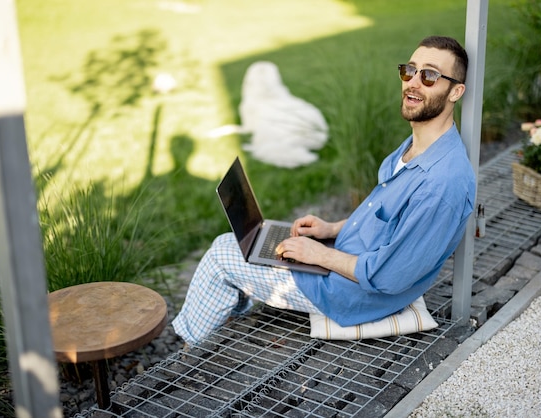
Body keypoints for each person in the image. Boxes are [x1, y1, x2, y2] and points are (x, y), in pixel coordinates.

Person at [173, 35, 476, 346]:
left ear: (456, 91)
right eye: (409, 70)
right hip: (341, 261)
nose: (413, 82)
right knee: (256, 242)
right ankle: (231, 306)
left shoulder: (441, 185)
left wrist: (319, 254)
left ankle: (185, 351)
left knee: (222, 253)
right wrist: (330, 229)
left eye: (429, 75)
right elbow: (387, 221)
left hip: (347, 293)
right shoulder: (420, 147)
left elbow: (388, 277)